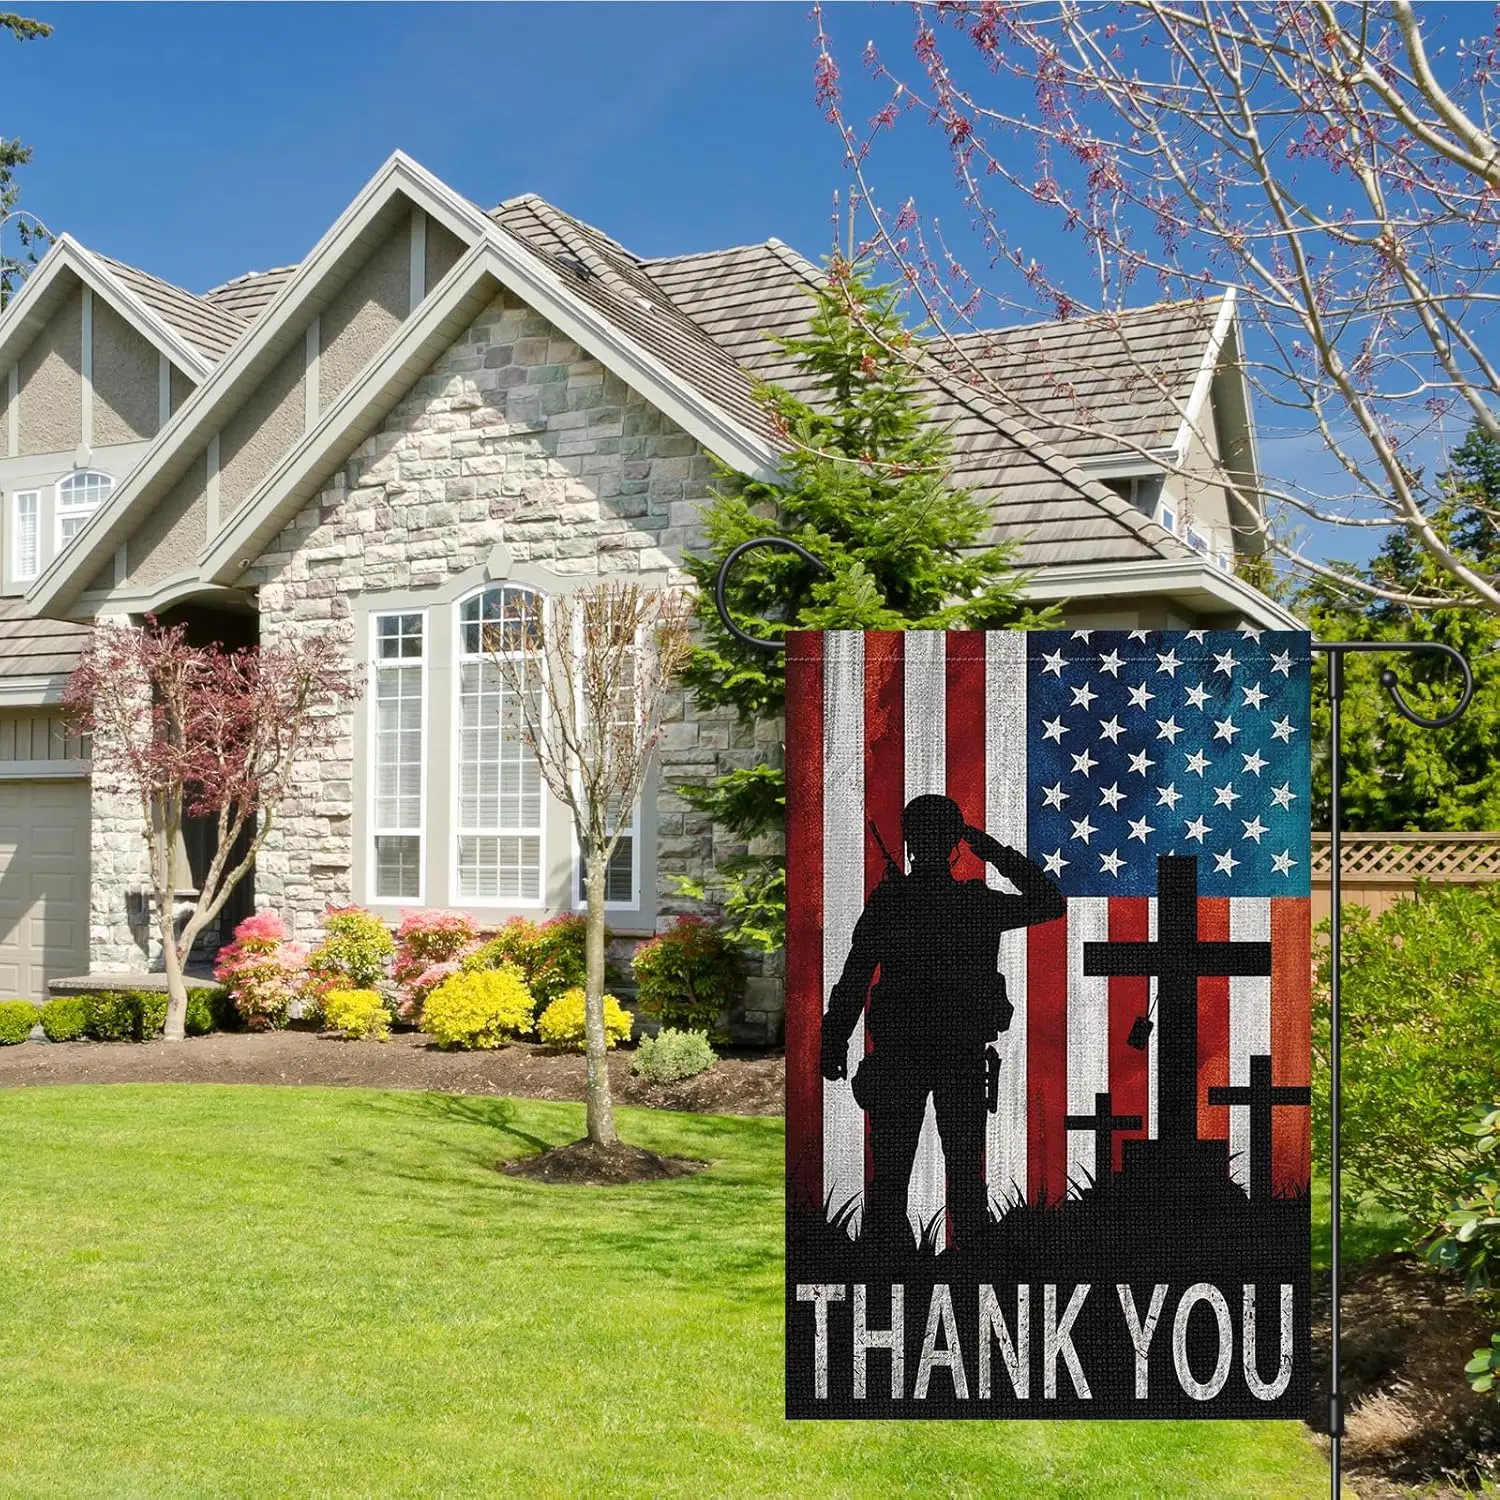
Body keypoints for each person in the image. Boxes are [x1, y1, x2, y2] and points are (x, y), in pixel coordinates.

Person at [820, 793, 1064, 1249]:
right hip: (956, 1053)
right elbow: (1049, 901)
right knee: (965, 1172)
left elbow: (853, 980)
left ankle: (887, 1260)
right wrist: (988, 848)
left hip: (903, 1054)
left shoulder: (890, 903)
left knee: (890, 1174)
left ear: (910, 844)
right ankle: (967, 1260)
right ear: (954, 844)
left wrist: (834, 1042)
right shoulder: (975, 903)